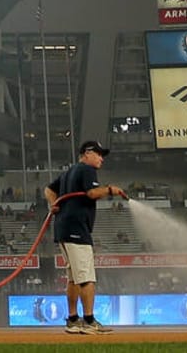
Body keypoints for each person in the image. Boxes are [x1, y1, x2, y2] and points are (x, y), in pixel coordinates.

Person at [46, 140, 127, 335]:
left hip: (63, 229)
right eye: (99, 154)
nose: (101, 159)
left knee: (74, 277)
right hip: (76, 229)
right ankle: (89, 321)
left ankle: (73, 320)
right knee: (86, 277)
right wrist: (110, 190)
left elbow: (48, 190)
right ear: (87, 153)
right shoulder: (87, 170)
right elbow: (91, 193)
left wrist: (53, 204)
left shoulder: (68, 172)